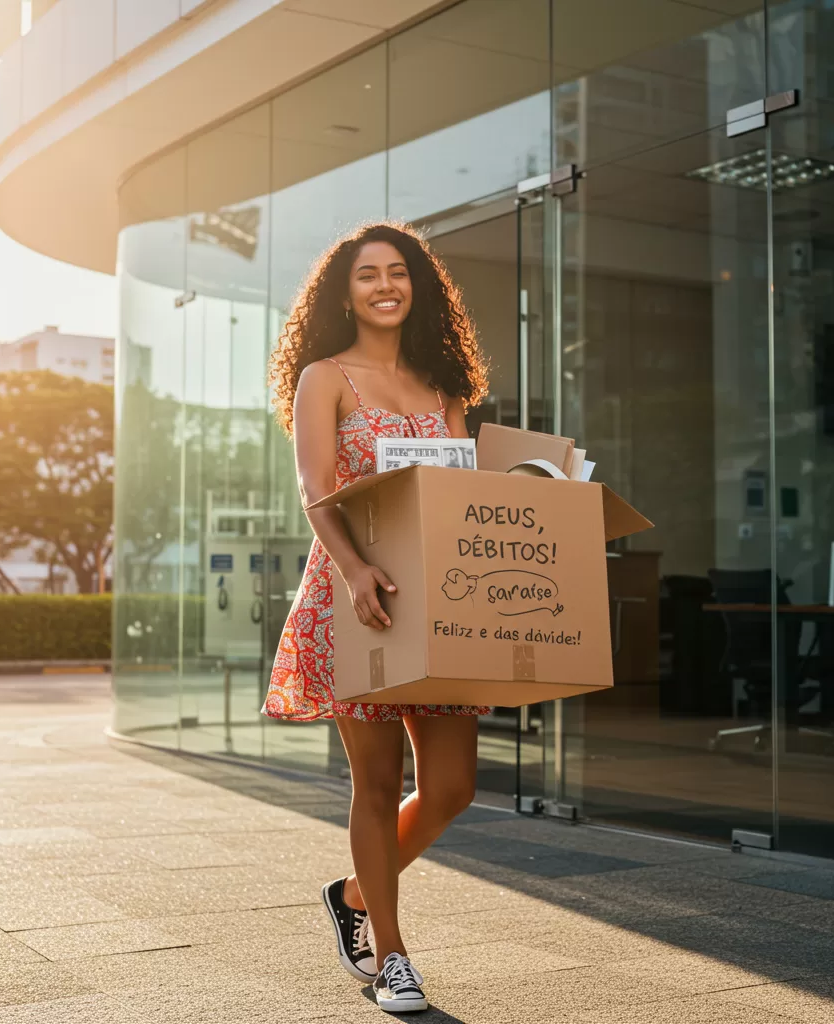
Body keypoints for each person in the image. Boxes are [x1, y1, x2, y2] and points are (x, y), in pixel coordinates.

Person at [263, 223, 490, 1014]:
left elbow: (458, 498)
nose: (385, 285)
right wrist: (357, 567)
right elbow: (315, 489)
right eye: (368, 275)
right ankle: (391, 955)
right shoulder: (325, 377)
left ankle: (356, 893)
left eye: (400, 272)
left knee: (454, 787)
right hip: (354, 597)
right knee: (378, 781)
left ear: (418, 287)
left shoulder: (443, 389)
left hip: (434, 601)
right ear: (344, 291)